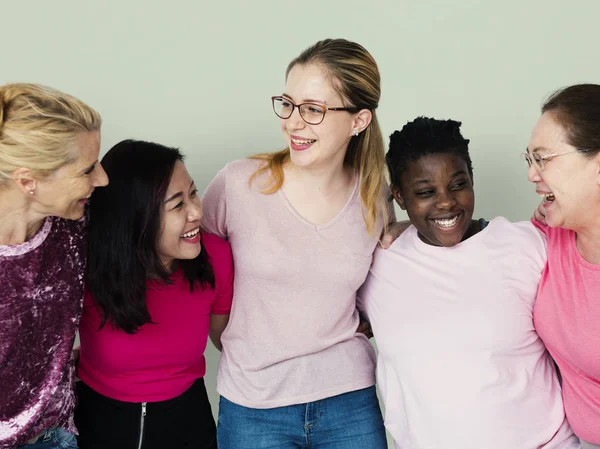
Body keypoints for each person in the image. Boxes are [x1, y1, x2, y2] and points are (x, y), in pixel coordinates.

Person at [201, 38, 390, 449]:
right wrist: (237, 340)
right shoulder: (238, 184)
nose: (293, 122)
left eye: (314, 109)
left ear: (358, 121)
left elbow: (385, 286)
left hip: (349, 400)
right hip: (253, 403)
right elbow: (197, 274)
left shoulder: (375, 197)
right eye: (287, 104)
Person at [358, 116, 578, 448]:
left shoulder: (528, 245)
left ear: (472, 179)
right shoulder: (379, 263)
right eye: (425, 192)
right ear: (399, 197)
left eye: (458, 184)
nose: (446, 201)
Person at [74, 140, 232, 449]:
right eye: (177, 205)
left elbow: (227, 340)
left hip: (188, 420)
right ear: (135, 219)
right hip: (97, 420)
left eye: (194, 193)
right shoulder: (84, 264)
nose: (197, 212)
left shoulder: (217, 257)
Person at [0, 83, 107, 449]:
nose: (102, 179)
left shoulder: (75, 222)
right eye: (87, 169)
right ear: (28, 181)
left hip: (56, 436)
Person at [525, 84, 600, 449]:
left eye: (543, 158)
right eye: (529, 160)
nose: (532, 175)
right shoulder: (548, 234)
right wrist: (404, 231)